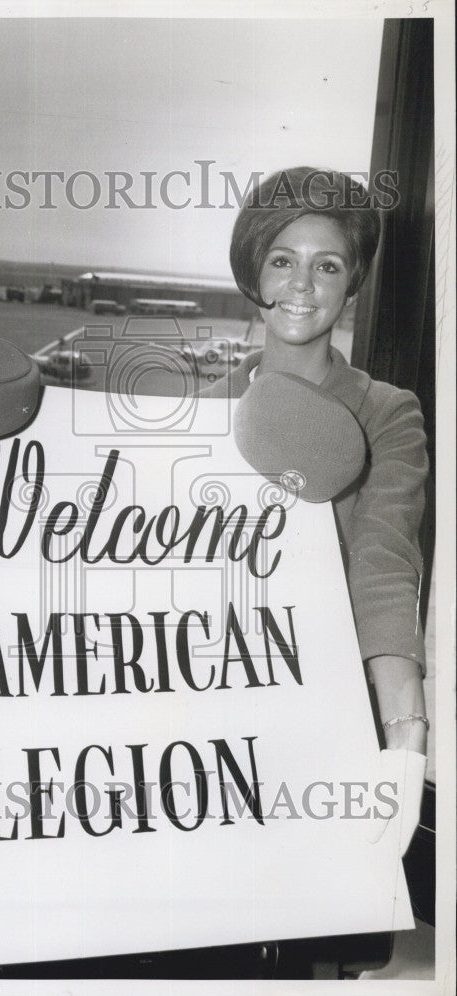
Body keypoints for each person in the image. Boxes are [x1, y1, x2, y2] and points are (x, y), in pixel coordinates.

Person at [203, 166, 429, 856]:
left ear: (352, 281)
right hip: (206, 705)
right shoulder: (201, 411)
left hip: (323, 716)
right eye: (281, 261)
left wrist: (405, 735)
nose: (301, 287)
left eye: (326, 266)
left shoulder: (388, 412)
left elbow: (384, 568)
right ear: (253, 275)